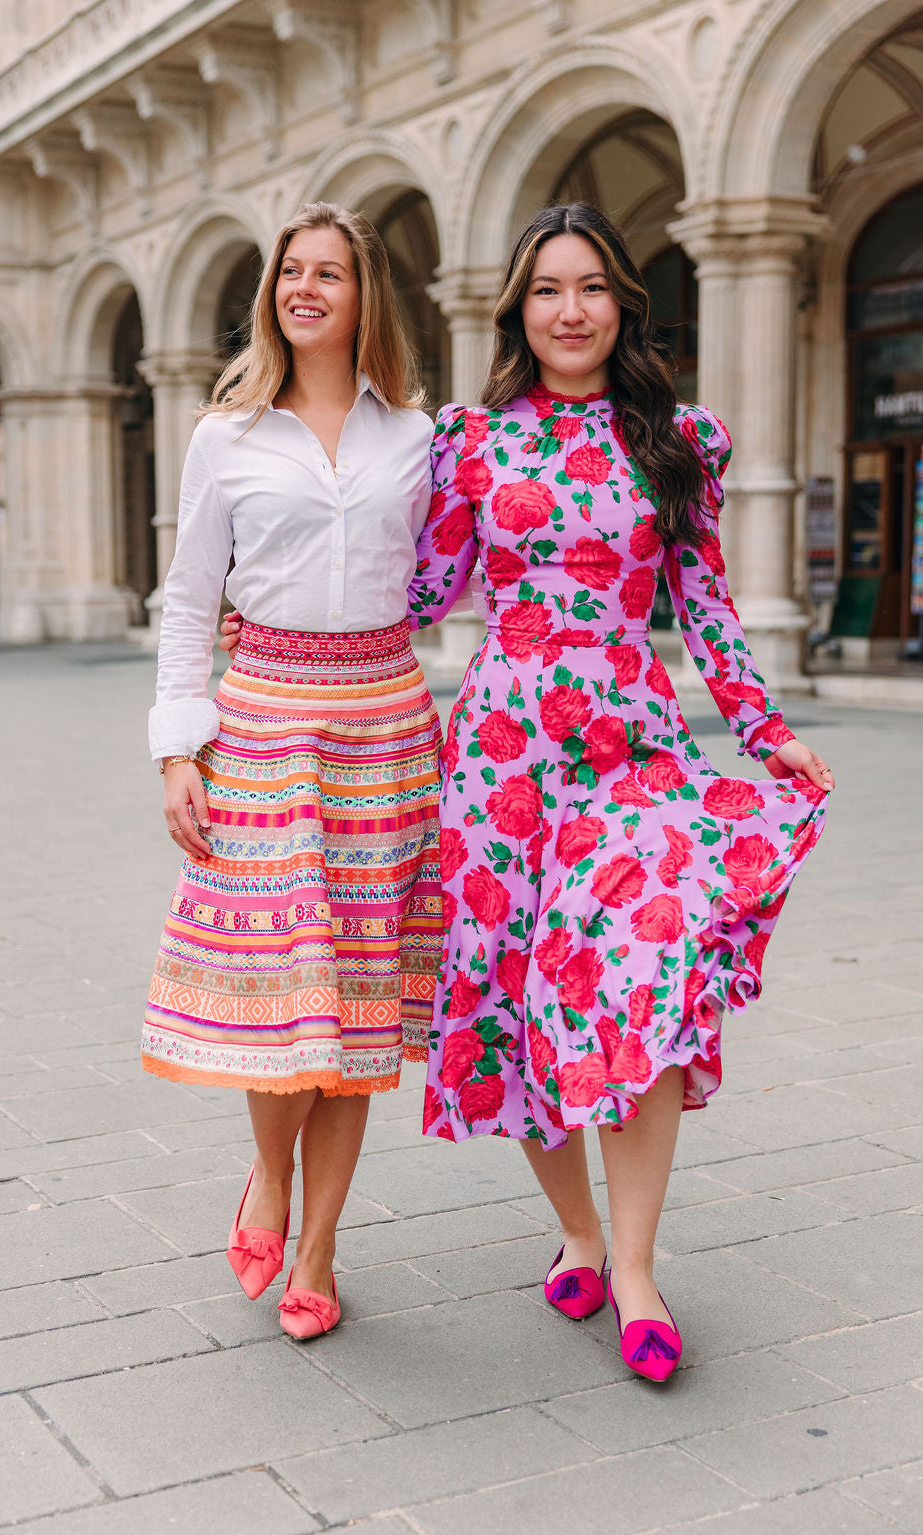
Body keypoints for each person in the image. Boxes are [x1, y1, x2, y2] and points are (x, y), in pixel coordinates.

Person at [406, 203, 833, 1381]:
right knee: (514, 997)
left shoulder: (676, 437)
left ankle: (637, 1264)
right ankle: (581, 1232)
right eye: (546, 289)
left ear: (623, 303)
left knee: (638, 988)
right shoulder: (472, 442)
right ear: (518, 310)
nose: (570, 309)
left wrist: (764, 729)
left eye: (590, 286)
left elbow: (704, 603)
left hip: (629, 743)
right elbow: (422, 587)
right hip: (497, 757)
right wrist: (297, 653)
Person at [143, 202, 441, 1340]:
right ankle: (269, 1181)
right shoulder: (226, 434)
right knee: (283, 1000)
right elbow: (185, 597)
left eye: (330, 272)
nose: (306, 287)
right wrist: (180, 744)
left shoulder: (419, 436)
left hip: (386, 729)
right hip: (263, 723)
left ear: (367, 294)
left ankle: (319, 1245)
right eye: (291, 272)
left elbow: (457, 570)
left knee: (356, 1009)